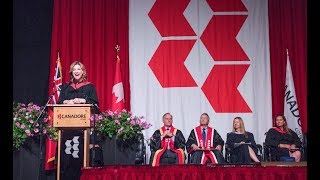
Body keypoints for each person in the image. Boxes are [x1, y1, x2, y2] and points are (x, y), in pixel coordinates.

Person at [57, 61, 103, 168]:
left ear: (83, 72)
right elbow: (59, 102)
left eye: (79, 69)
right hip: (68, 127)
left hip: (85, 128)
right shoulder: (66, 87)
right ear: (71, 72)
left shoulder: (89, 87)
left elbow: (95, 104)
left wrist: (83, 100)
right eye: (74, 69)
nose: (76, 71)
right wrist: (66, 102)